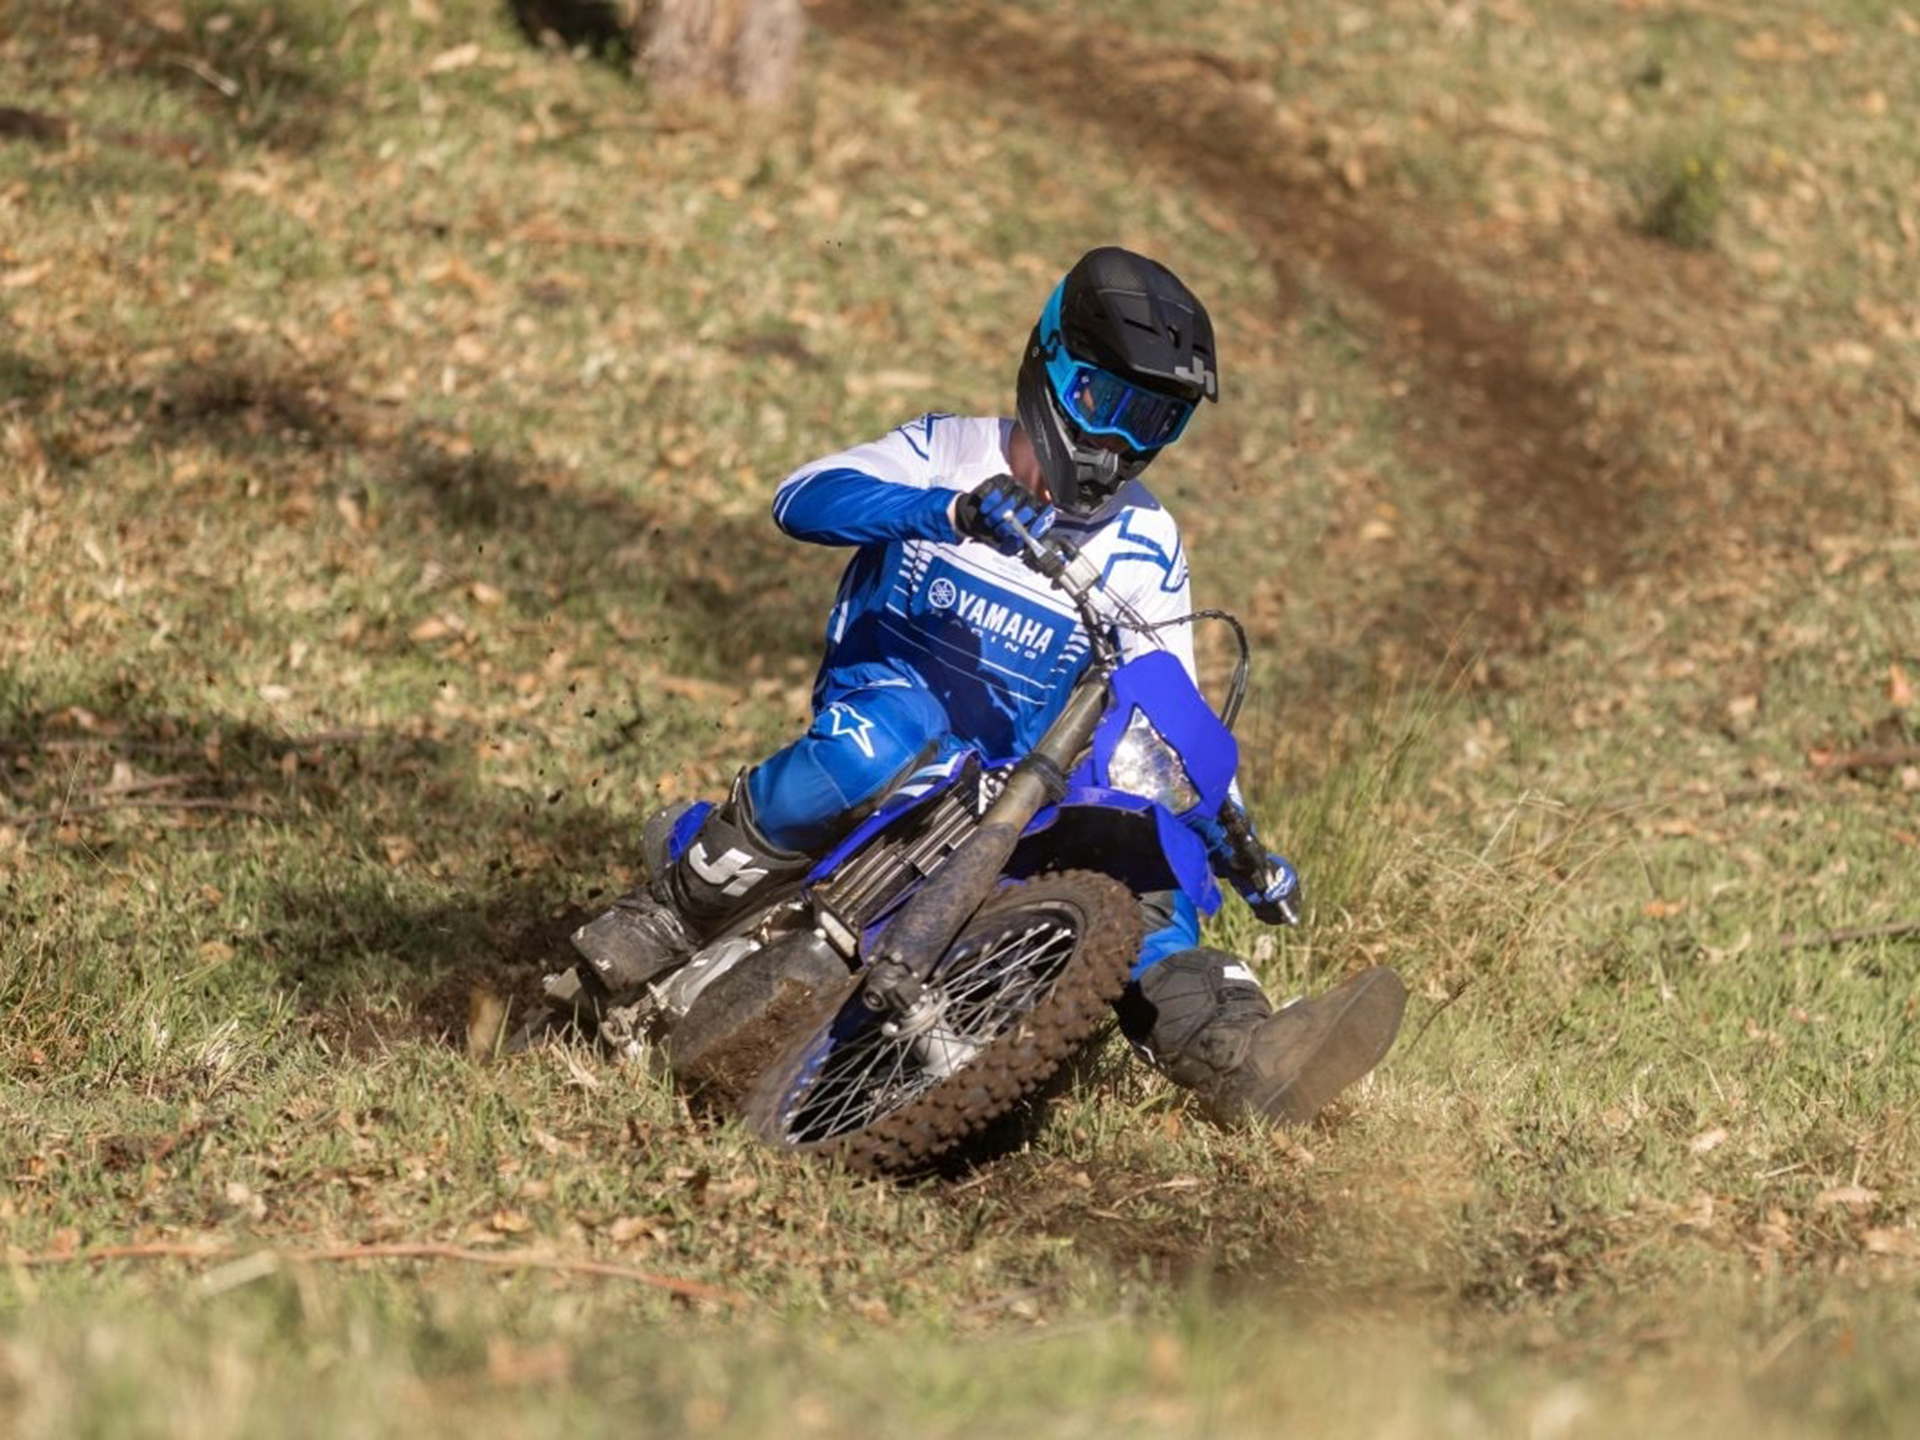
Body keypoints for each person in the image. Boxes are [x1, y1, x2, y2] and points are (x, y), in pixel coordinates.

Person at [573, 246, 1406, 1126]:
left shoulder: (1147, 542)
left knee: (1142, 865)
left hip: (1021, 792)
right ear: (1050, 364)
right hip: (889, 732)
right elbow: (800, 497)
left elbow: (1172, 697)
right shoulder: (945, 451)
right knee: (888, 735)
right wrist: (952, 511)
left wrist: (1236, 834)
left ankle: (1244, 1055)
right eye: (1106, 403)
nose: (1122, 444)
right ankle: (670, 914)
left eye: (1156, 422)